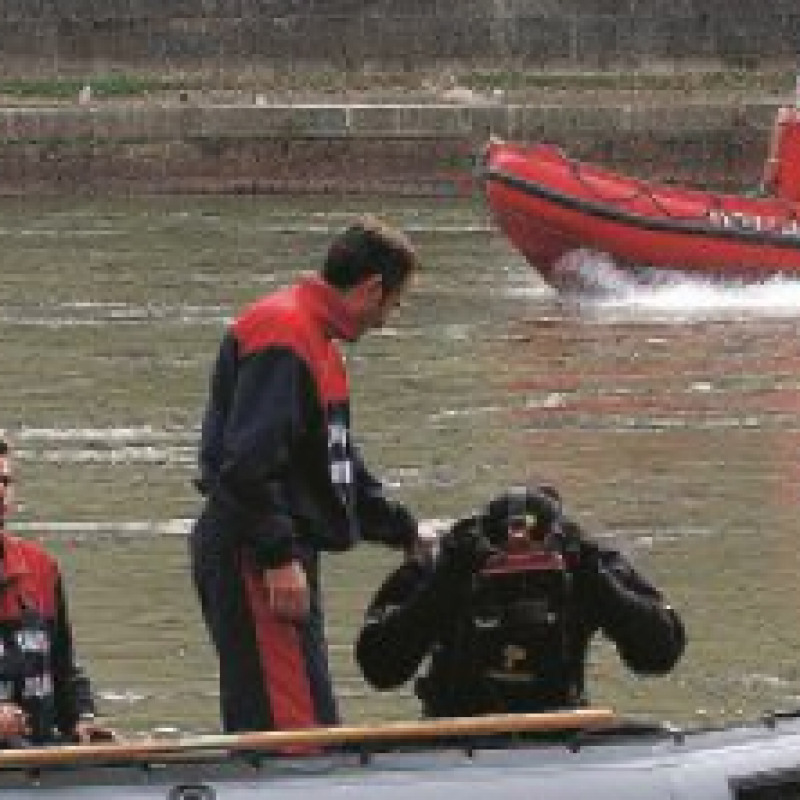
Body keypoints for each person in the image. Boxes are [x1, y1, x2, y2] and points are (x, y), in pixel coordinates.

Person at [190, 216, 421, 733]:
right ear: (373, 288)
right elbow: (247, 465)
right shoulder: (284, 334)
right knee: (291, 729)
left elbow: (334, 466)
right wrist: (276, 557)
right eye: (395, 304)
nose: (388, 320)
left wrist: (404, 530)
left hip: (277, 547)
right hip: (255, 552)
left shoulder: (314, 338)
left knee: (305, 712)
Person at [356, 484, 686, 718]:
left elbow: (660, 654)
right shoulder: (448, 561)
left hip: (560, 729)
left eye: (534, 564)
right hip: (455, 731)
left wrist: (594, 577)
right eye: (505, 564)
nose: (519, 575)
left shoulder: (585, 562)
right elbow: (380, 669)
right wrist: (446, 582)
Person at [0, 436, 112, 746]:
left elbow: (64, 669)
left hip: (42, 761)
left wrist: (82, 718)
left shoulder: (41, 568)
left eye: (5, 481)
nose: (0, 492)